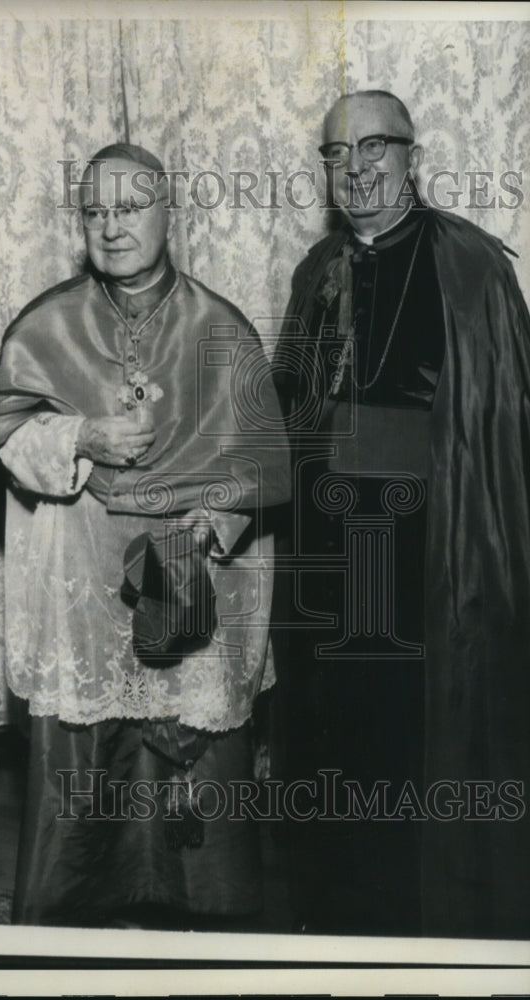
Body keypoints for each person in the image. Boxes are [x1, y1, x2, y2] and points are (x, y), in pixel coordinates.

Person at [0, 143, 290, 929]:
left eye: (129, 207)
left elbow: (267, 465)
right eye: (95, 212)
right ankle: (69, 928)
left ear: (169, 210)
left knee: (197, 758)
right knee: (83, 757)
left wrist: (217, 519)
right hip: (80, 577)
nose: (111, 228)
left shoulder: (222, 327)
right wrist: (78, 437)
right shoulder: (47, 323)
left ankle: (211, 932)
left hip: (193, 580)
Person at [274, 90, 530, 938]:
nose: (355, 169)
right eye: (336, 154)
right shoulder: (317, 270)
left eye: (373, 147)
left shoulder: (471, 266)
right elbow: (286, 413)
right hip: (328, 564)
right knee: (331, 746)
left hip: (433, 558)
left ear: (412, 154)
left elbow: (508, 431)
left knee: (411, 751)